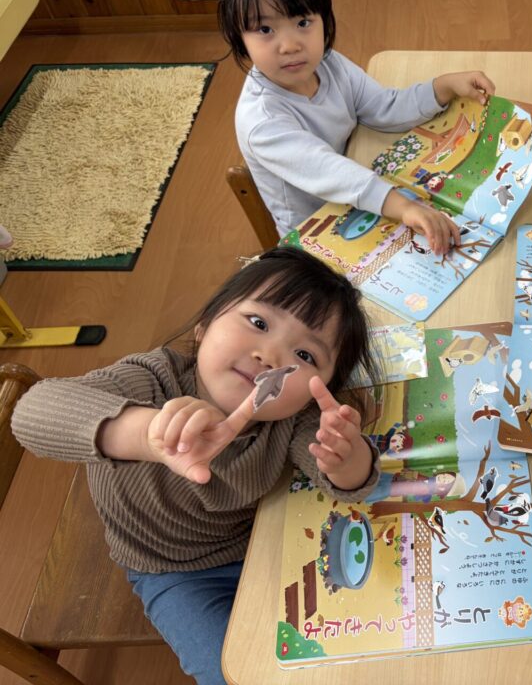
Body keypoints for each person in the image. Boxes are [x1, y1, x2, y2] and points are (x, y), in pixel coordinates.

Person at [12, 247, 382, 684]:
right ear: (204, 325)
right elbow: (32, 413)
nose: (270, 357)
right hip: (170, 568)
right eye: (258, 323)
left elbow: (346, 483)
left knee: (359, 634)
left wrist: (347, 457)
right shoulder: (152, 379)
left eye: (304, 356)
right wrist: (147, 433)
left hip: (255, 541)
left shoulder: (295, 419)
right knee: (227, 672)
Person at [218, 0, 496, 255]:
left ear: (324, 18)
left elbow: (385, 107)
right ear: (239, 37)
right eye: (265, 30)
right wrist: (404, 207)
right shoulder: (261, 120)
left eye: (303, 22)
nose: (290, 45)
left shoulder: (329, 64)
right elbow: (331, 172)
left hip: (361, 196)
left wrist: (442, 87)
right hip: (315, 237)